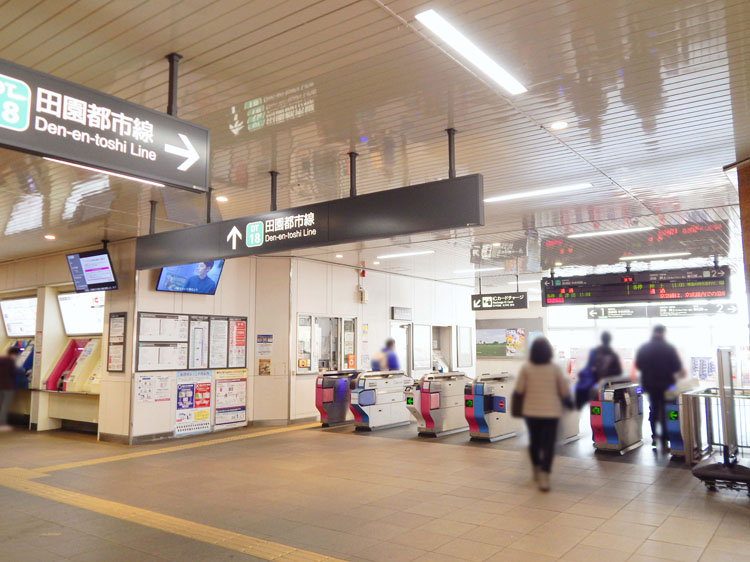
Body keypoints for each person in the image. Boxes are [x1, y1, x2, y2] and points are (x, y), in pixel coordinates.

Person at [515, 337, 570, 491]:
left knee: (535, 442)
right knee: (548, 444)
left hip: (531, 412)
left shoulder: (526, 368)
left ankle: (536, 470)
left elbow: (519, 390)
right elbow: (564, 391)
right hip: (551, 412)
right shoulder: (555, 368)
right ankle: (545, 475)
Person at [636, 325, 683, 450]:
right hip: (666, 385)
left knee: (654, 411)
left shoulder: (644, 347)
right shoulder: (669, 348)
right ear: (663, 333)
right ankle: (666, 438)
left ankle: (655, 437)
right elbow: (676, 367)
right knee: (666, 411)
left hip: (650, 385)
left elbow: (639, 365)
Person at [575, 332, 623, 409]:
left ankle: (596, 419)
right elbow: (618, 372)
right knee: (608, 408)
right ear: (610, 340)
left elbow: (589, 367)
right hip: (608, 387)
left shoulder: (594, 352)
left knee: (596, 409)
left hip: (595, 386)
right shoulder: (614, 355)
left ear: (601, 340)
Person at [0, 346, 21, 431]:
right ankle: (2, 424)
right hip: (8, 387)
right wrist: (22, 370)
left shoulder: (1, 359)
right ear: (14, 354)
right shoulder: (10, 361)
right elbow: (13, 372)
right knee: (5, 406)